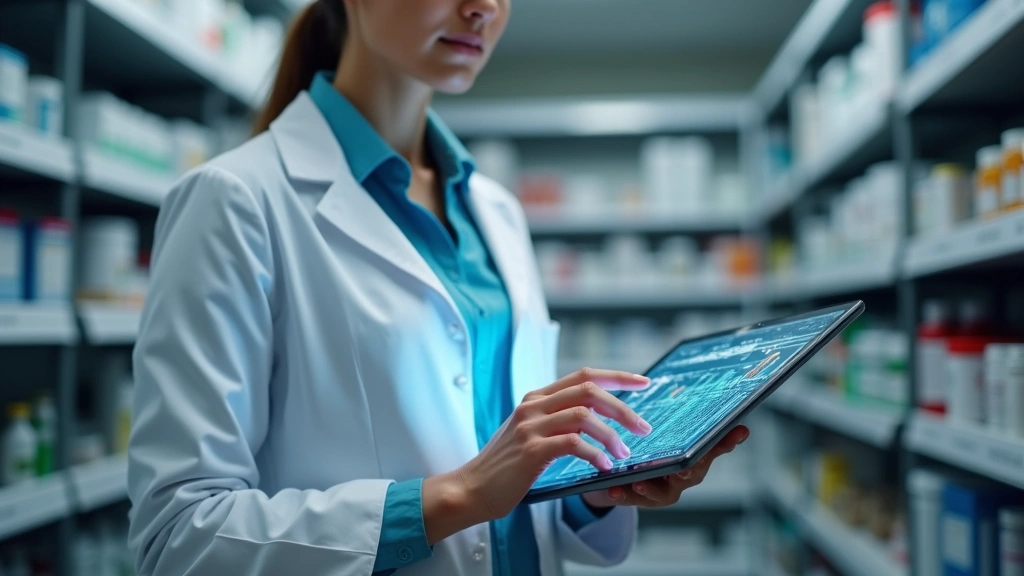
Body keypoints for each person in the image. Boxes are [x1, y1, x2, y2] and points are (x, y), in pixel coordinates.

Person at [126, 0, 749, 574]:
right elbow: (177, 535)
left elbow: (514, 492)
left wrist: (593, 491)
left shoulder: (494, 210)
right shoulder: (235, 202)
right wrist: (457, 497)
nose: (483, 8)